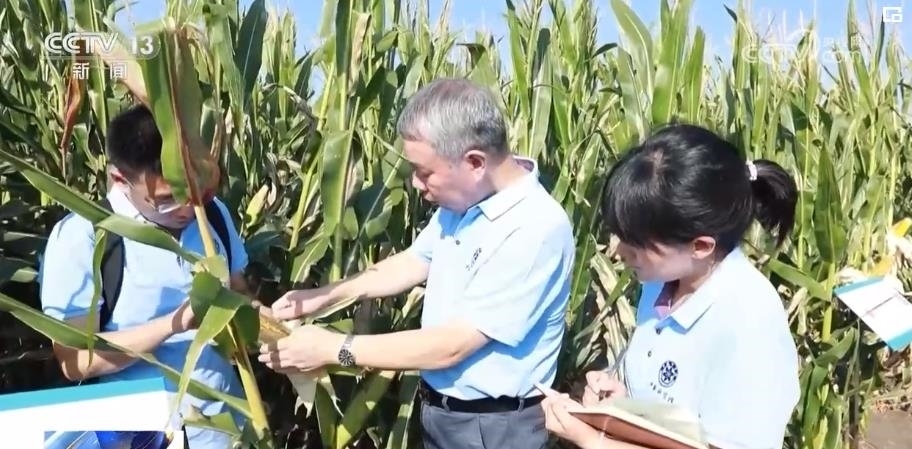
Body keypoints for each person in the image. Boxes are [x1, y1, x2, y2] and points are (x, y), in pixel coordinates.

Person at [257, 77, 576, 449]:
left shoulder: (534, 229)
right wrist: (323, 296)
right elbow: (413, 262)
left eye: (425, 172)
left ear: (475, 162)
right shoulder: (465, 201)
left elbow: (453, 345)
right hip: (443, 413)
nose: (415, 184)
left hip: (494, 428)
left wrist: (334, 349)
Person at [541, 123, 801, 449]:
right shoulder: (662, 283)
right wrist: (622, 407)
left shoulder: (750, 323)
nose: (618, 251)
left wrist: (593, 440)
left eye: (636, 243)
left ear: (701, 246)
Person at [39, 104, 250, 449]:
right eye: (167, 200)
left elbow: (240, 290)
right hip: (141, 436)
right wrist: (176, 323)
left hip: (226, 429)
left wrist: (264, 321)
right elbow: (75, 361)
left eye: (192, 191)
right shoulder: (82, 237)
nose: (187, 208)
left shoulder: (212, 214)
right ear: (120, 180)